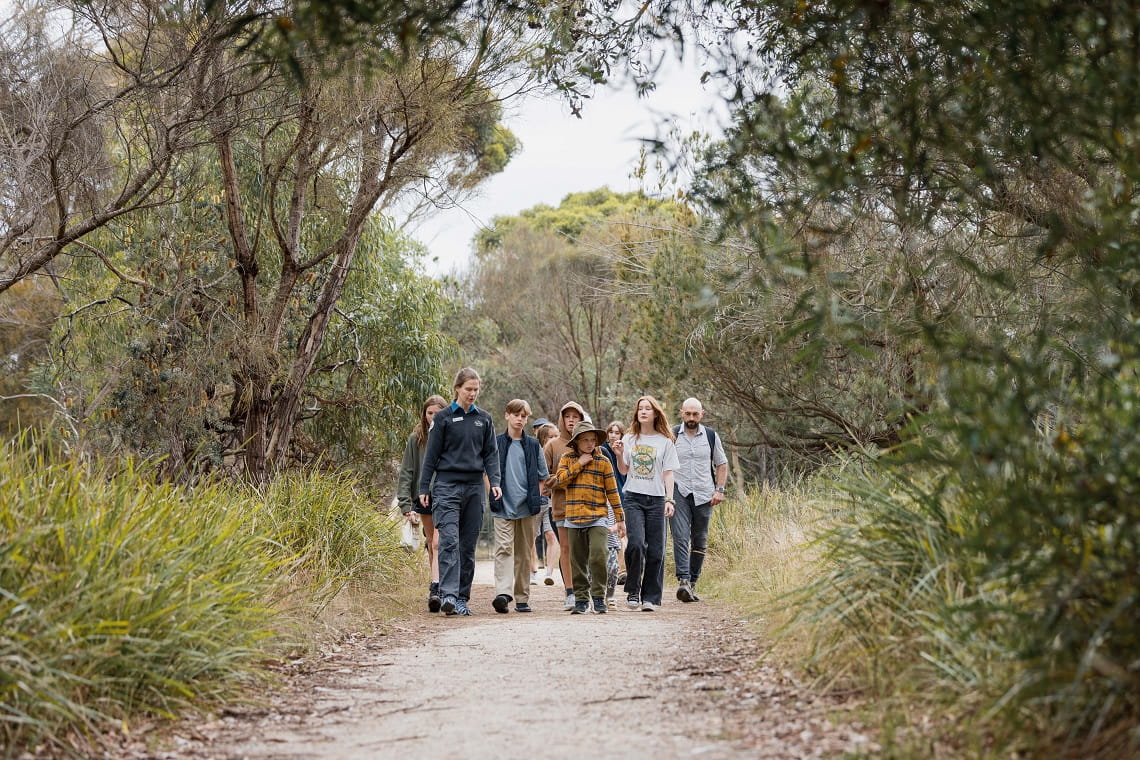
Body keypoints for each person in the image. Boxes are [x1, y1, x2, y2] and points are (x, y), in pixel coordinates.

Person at [419, 368, 502, 617]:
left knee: (467, 546)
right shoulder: (443, 418)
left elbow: (491, 454)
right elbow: (431, 455)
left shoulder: (484, 419)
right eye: (468, 389)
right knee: (449, 541)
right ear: (457, 389)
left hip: (475, 487)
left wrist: (495, 481)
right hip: (446, 486)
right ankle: (448, 595)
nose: (472, 394)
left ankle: (462, 597)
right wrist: (424, 487)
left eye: (476, 390)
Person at [549, 420, 625, 614]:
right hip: (573, 517)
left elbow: (613, 491)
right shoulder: (567, 458)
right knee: (577, 560)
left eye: (593, 440)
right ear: (576, 442)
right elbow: (559, 481)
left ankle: (599, 597)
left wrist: (619, 517)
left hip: (598, 516)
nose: (590, 444)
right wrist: (579, 464)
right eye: (585, 440)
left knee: (599, 554)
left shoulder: (603, 462)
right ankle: (581, 599)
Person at [615, 395, 679, 612]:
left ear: (655, 413)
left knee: (656, 551)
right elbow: (624, 470)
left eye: (647, 409)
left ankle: (650, 597)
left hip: (657, 499)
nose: (643, 412)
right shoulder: (630, 438)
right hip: (633, 496)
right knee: (635, 544)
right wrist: (619, 454)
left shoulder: (665, 441)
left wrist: (670, 500)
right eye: (640, 408)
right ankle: (633, 590)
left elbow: (668, 474)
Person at [490, 399, 549, 613]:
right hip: (503, 506)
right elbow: (487, 471)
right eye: (516, 414)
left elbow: (543, 476)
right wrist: (492, 490)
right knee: (503, 549)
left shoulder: (533, 445)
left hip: (527, 507)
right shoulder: (496, 443)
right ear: (507, 415)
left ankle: (522, 597)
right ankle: (503, 594)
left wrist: (537, 494)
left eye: (524, 416)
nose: (520, 419)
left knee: (524, 553)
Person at [670, 398, 729, 602]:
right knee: (679, 535)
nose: (691, 418)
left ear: (702, 414)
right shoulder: (672, 435)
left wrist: (719, 490)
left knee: (700, 539)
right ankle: (683, 581)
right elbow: (662, 463)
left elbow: (721, 464)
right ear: (681, 413)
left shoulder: (711, 436)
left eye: (695, 414)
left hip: (704, 493)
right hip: (679, 490)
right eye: (688, 414)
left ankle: (693, 581)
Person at [397, 394, 449, 611]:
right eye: (429, 413)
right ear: (424, 414)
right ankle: (436, 585)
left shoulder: (450, 436)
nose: (433, 417)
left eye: (437, 413)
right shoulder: (416, 439)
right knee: (431, 544)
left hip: (446, 494)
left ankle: (438, 587)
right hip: (424, 496)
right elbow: (407, 471)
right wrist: (405, 504)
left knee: (438, 543)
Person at [543, 401, 588, 610]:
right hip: (562, 506)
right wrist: (567, 478)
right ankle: (570, 592)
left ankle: (585, 590)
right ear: (561, 419)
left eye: (575, 417)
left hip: (587, 506)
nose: (571, 420)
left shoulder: (588, 443)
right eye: (567, 416)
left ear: (581, 419)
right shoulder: (552, 446)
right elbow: (545, 481)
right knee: (567, 548)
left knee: (586, 549)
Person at [599, 420, 628, 607]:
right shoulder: (601, 451)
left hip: (623, 495)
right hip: (606, 497)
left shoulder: (625, 450)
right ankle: (618, 572)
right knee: (612, 537)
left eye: (617, 432)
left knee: (623, 536)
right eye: (610, 431)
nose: (613, 435)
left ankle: (623, 570)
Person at [535, 421, 561, 586]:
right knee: (532, 537)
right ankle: (532, 571)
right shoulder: (536, 452)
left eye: (556, 436)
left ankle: (549, 572)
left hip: (552, 502)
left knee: (551, 535)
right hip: (537, 500)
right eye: (550, 436)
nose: (554, 439)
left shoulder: (560, 453)